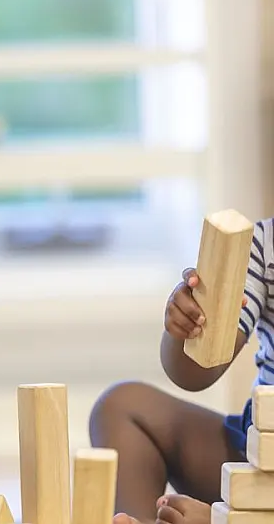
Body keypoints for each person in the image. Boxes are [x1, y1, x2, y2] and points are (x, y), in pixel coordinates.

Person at [89, 220, 271, 524]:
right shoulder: (265, 245)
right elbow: (194, 372)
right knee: (122, 406)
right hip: (257, 453)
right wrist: (187, 322)